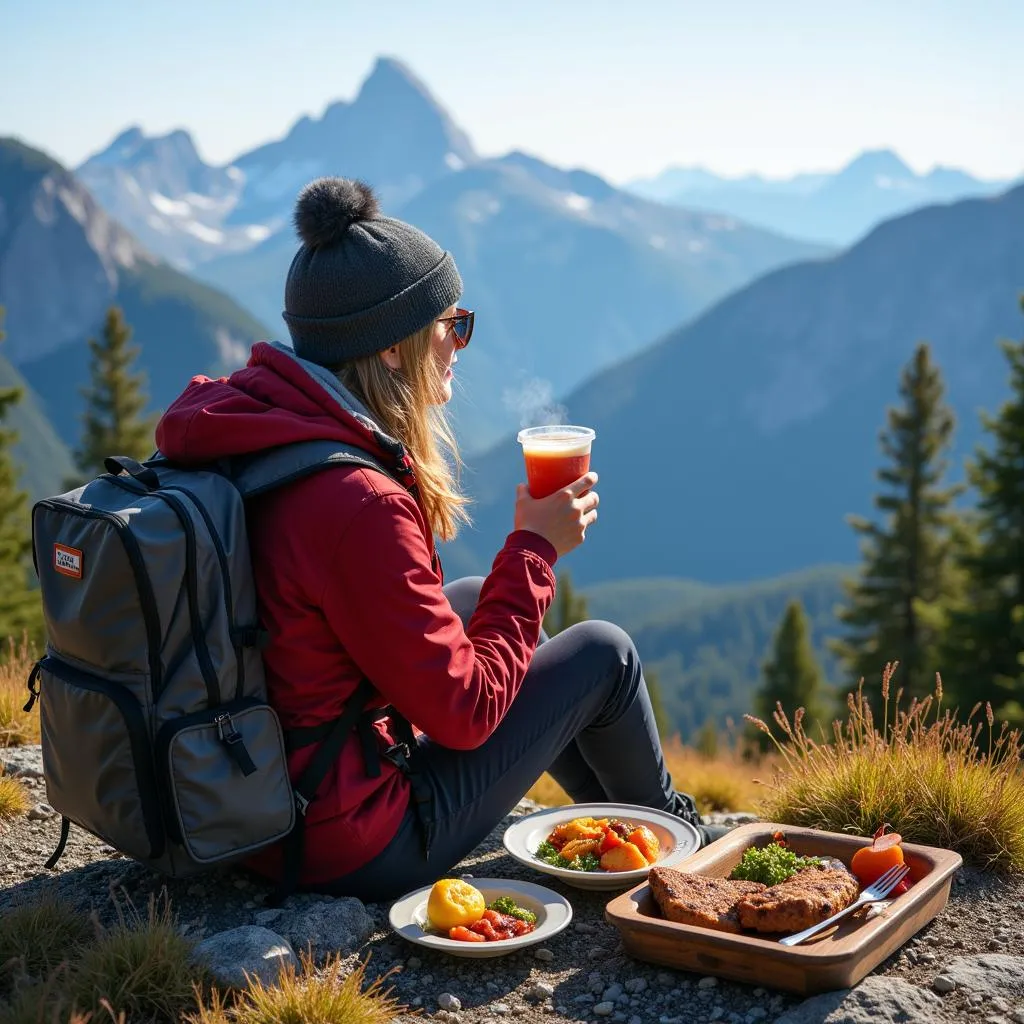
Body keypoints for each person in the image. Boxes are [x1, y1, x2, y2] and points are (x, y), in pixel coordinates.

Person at [154, 176, 722, 903]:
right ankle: (681, 847)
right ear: (393, 348)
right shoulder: (355, 504)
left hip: (253, 795)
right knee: (604, 654)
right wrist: (535, 551)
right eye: (451, 324)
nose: (459, 343)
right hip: (349, 839)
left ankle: (611, 833)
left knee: (474, 597)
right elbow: (464, 716)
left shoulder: (262, 428)